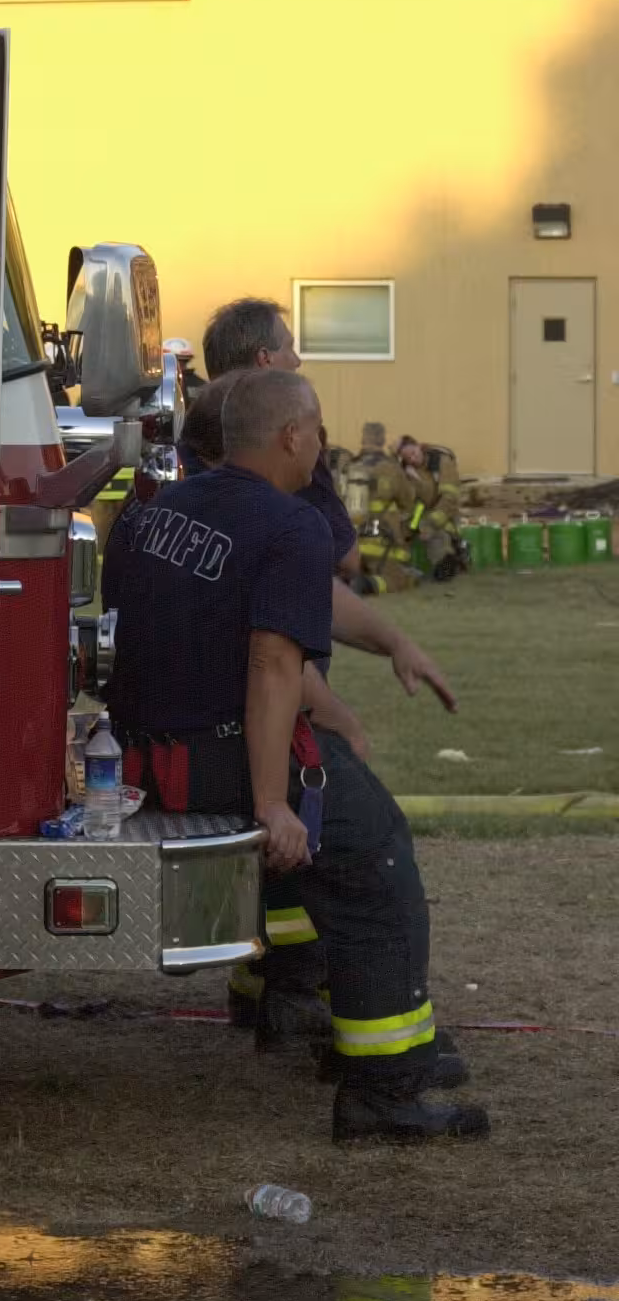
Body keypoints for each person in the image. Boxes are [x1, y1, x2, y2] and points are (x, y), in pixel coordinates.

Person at [103, 369, 489, 1143]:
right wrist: (274, 801)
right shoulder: (290, 525)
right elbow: (275, 664)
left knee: (333, 844)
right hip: (220, 758)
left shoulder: (150, 513)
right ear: (290, 436)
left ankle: (298, 1004)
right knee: (374, 852)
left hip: (143, 762)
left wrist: (389, 645)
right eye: (316, 430)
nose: (320, 444)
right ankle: (384, 1083)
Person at [191, 298, 457, 1041]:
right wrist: (325, 710)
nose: (300, 359)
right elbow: (266, 639)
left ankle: (272, 982)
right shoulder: (269, 498)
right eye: (290, 348)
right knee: (366, 849)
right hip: (257, 711)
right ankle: (385, 1060)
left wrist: (393, 641)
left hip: (217, 721)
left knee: (285, 850)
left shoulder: (202, 480)